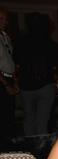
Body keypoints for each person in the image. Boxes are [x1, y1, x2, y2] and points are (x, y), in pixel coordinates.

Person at [14, 13, 58, 136]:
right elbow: (55, 66)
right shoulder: (51, 44)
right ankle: (40, 150)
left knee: (28, 120)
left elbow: (17, 65)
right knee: (42, 122)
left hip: (26, 86)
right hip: (45, 85)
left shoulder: (21, 43)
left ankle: (30, 148)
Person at [0, 7, 18, 148]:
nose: (4, 22)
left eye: (5, 19)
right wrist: (6, 85)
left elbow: (10, 60)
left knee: (9, 116)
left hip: (9, 78)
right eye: (1, 19)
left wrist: (14, 81)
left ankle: (9, 147)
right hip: (2, 81)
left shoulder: (5, 36)